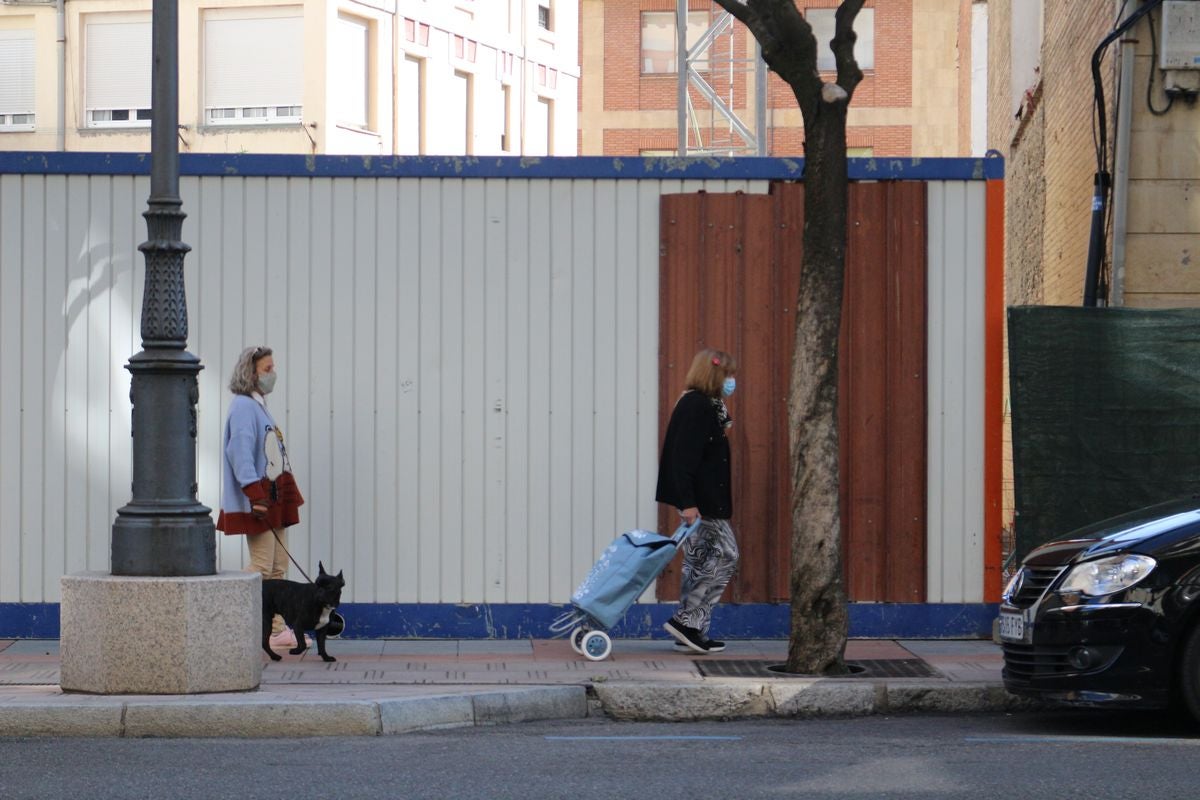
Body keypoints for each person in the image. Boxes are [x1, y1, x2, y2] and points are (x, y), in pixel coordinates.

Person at [216, 346, 306, 649]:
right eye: (267, 369)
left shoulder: (258, 406)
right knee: (262, 565)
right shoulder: (243, 407)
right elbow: (239, 453)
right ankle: (221, 614)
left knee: (278, 566)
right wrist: (255, 494)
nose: (273, 374)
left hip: (273, 496)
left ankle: (275, 630)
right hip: (259, 498)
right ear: (251, 373)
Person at [656, 347, 740, 654]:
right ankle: (687, 622)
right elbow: (682, 458)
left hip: (702, 501)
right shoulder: (698, 406)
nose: (732, 380)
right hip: (702, 504)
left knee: (700, 559)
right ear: (715, 374)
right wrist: (688, 503)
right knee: (726, 555)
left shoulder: (706, 405)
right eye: (728, 374)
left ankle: (691, 630)